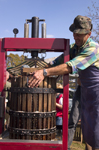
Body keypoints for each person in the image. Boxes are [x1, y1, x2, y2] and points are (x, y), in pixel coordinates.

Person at [28, 15, 99, 150]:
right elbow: (58, 61)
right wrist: (44, 65)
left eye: (80, 34)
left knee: (96, 128)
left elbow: (69, 66)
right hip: (84, 92)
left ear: (89, 34)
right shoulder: (75, 48)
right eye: (74, 33)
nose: (76, 37)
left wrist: (44, 73)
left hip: (96, 93)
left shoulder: (93, 49)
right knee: (86, 126)